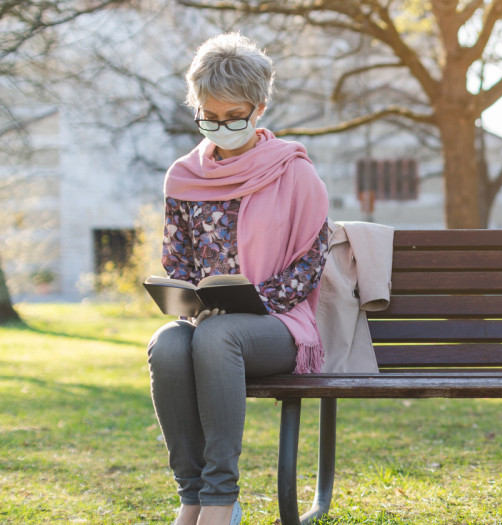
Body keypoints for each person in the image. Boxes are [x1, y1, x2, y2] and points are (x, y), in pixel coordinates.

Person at [146, 33, 331, 525]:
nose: (221, 126)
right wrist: (189, 296)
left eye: (234, 117)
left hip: (279, 326)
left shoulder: (294, 173)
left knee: (220, 332)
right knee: (165, 344)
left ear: (260, 108)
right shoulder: (183, 177)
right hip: (207, 322)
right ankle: (191, 497)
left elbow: (311, 262)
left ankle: (221, 500)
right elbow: (177, 257)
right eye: (210, 116)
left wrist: (251, 302)